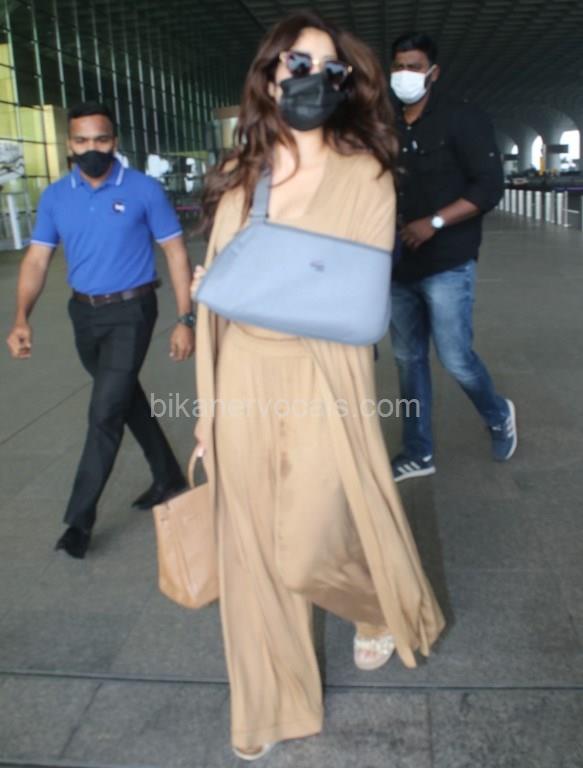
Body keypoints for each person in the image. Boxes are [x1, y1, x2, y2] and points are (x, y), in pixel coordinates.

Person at [190, 12, 444, 761]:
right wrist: (207, 412)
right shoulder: (242, 174)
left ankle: (375, 605)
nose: (311, 78)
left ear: (344, 83)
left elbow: (356, 308)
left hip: (322, 374)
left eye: (329, 67)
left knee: (303, 547)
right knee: (250, 553)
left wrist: (242, 283)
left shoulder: (365, 173)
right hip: (242, 372)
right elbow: (218, 305)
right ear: (269, 78)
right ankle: (269, 709)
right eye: (295, 64)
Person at [5, 102, 194, 559]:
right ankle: (169, 477)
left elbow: (175, 253)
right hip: (83, 314)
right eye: (82, 141)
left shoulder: (144, 190)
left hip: (132, 311)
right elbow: (37, 259)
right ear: (69, 144)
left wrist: (185, 319)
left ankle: (79, 521)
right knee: (124, 397)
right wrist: (21, 317)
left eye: (101, 139)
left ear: (115, 141)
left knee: (105, 412)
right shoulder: (56, 196)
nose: (92, 149)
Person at [388, 32, 517, 483]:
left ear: (433, 72)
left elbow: (489, 187)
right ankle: (417, 451)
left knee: (455, 358)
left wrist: (435, 222)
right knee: (407, 361)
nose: (405, 74)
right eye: (399, 66)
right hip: (399, 265)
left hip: (448, 261)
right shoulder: (387, 125)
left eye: (414, 66)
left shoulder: (462, 118)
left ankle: (498, 414)